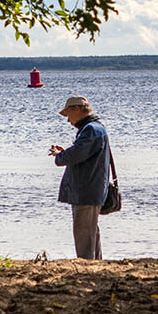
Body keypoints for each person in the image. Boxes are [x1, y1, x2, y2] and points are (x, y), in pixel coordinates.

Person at [49, 95, 111, 260]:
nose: (68, 120)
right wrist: (65, 153)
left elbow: (77, 154)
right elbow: (82, 154)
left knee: (84, 233)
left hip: (87, 190)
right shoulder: (95, 128)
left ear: (77, 110)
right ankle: (95, 263)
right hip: (91, 189)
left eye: (68, 115)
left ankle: (87, 264)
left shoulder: (91, 129)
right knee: (90, 232)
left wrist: (59, 156)